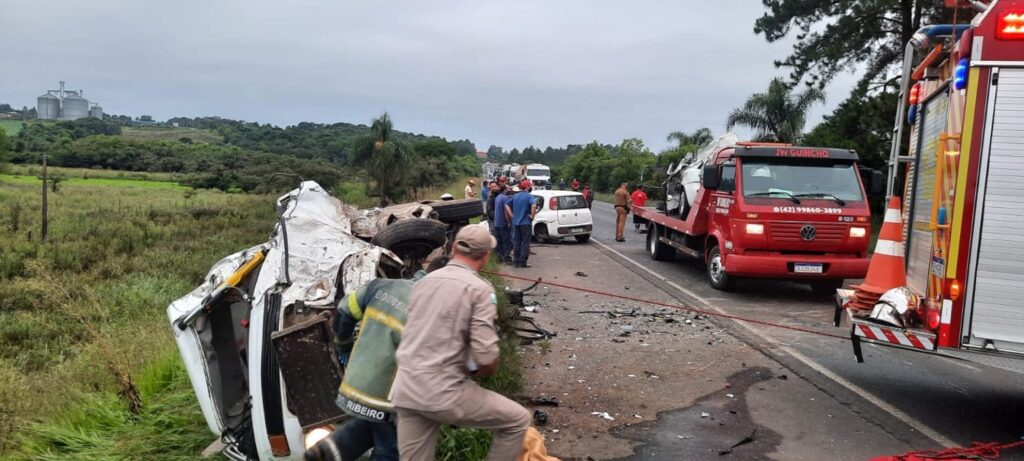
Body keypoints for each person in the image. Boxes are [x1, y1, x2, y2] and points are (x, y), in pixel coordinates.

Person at [391, 226, 531, 461]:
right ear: (486, 256)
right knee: (517, 420)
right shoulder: (479, 289)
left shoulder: (423, 282)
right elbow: (485, 358)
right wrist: (483, 369)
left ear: (454, 247)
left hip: (405, 389)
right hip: (442, 392)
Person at [307, 253, 451, 461]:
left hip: (353, 387)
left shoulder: (381, 286)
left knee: (362, 434)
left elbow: (344, 311)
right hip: (386, 398)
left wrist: (343, 346)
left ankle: (326, 453)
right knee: (391, 450)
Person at [508, 180, 537, 268]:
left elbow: (506, 205)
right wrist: (532, 216)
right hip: (526, 223)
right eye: (530, 186)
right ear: (528, 187)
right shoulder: (530, 196)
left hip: (516, 223)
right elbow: (534, 206)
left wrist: (512, 215)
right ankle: (522, 262)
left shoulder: (515, 196)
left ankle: (515, 262)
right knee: (525, 243)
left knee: (517, 242)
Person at [493, 185, 513, 263]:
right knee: (506, 240)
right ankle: (507, 257)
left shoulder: (498, 197)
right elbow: (506, 211)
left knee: (499, 241)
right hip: (503, 223)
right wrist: (509, 222)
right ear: (504, 190)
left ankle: (499, 257)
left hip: (497, 222)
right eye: (508, 188)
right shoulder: (505, 198)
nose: (509, 189)